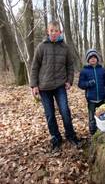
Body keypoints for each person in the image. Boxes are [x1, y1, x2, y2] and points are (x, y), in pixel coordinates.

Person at [30, 21, 81, 152]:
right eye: (51, 30)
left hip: (60, 86)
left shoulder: (65, 48)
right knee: (50, 115)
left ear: (60, 32)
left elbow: (70, 66)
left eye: (56, 30)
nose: (53, 33)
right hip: (44, 87)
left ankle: (71, 136)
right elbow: (35, 67)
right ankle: (56, 139)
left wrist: (69, 80)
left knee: (65, 111)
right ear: (48, 31)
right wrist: (34, 85)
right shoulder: (41, 47)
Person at [78, 49, 105, 135]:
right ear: (88, 60)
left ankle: (104, 129)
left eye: (95, 57)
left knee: (103, 114)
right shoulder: (84, 71)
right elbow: (80, 84)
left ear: (97, 59)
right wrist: (88, 83)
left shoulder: (102, 70)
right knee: (92, 117)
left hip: (102, 98)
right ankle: (93, 132)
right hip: (91, 98)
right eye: (90, 58)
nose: (93, 59)